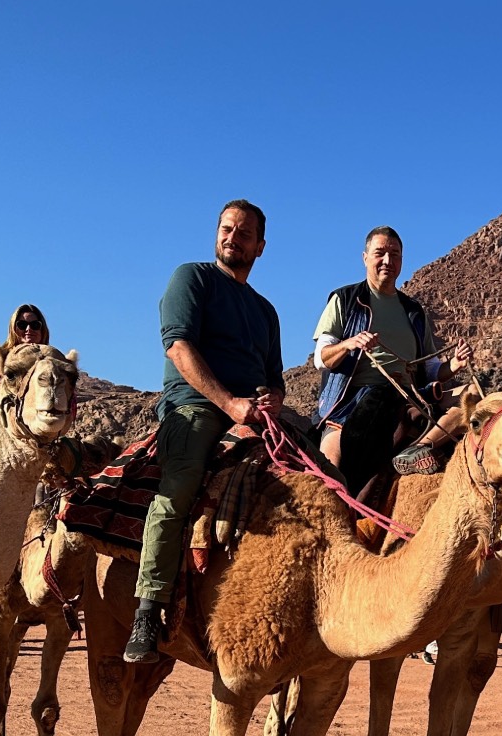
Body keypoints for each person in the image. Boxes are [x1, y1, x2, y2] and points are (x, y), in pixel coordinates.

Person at [123, 200, 284, 664]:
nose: (234, 237)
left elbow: (275, 376)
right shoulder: (191, 278)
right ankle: (148, 609)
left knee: (321, 470)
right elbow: (178, 346)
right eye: (227, 229)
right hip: (195, 405)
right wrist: (229, 403)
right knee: (178, 490)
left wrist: (272, 398)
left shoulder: (265, 311)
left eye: (245, 232)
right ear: (218, 234)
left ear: (260, 246)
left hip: (253, 410)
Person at [312, 227, 471, 499]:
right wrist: (350, 344)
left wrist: (453, 366)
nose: (387, 260)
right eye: (380, 253)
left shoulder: (413, 311)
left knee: (473, 398)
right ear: (365, 257)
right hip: (351, 403)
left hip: (410, 396)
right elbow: (321, 358)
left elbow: (431, 369)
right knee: (329, 475)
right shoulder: (345, 300)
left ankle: (417, 450)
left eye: (394, 254)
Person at [0, 304, 51, 413]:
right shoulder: (1, 360)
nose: (28, 329)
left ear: (42, 329)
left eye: (35, 325)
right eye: (22, 325)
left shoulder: (52, 362)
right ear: (13, 329)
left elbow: (68, 400)